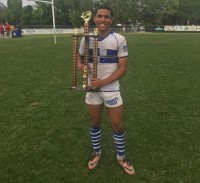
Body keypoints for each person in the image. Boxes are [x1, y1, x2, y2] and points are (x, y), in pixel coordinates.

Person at [77, 5, 135, 175]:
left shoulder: (119, 39)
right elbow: (78, 58)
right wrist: (81, 67)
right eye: (100, 16)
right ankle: (96, 152)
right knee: (94, 123)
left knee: (117, 125)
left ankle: (121, 157)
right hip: (92, 89)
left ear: (111, 20)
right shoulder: (85, 39)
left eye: (106, 17)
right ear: (94, 19)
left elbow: (123, 68)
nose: (103, 20)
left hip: (111, 89)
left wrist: (103, 82)